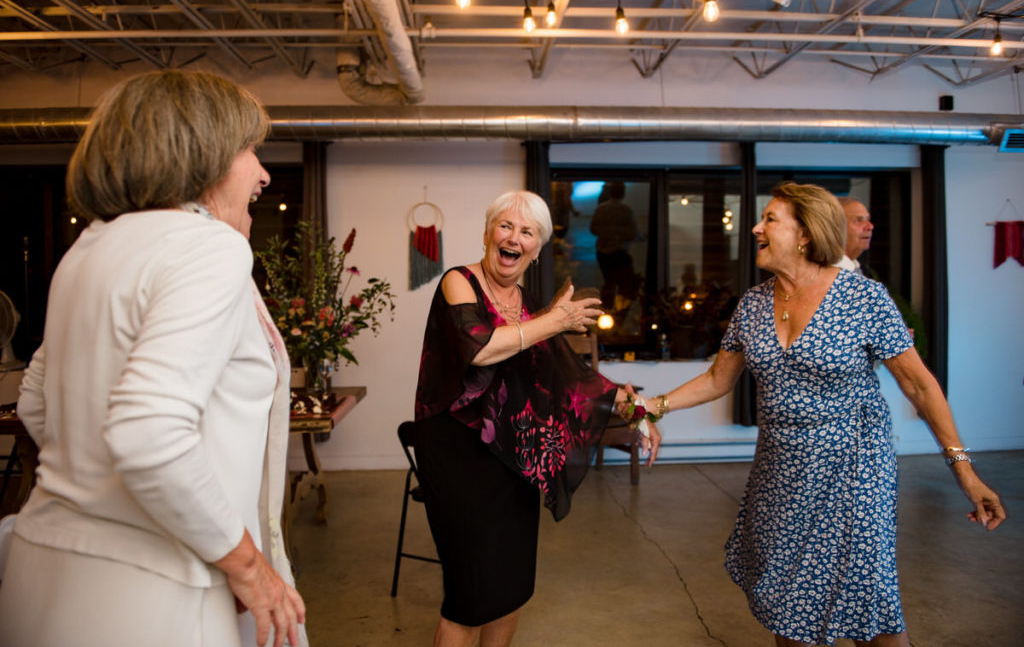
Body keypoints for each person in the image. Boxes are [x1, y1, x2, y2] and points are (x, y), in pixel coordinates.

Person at [0, 71, 307, 647]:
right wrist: (249, 568)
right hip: (157, 592)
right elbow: (147, 431)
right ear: (204, 154)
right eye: (249, 149)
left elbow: (38, 404)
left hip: (47, 571)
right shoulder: (208, 246)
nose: (263, 171)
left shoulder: (90, 247)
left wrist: (95, 488)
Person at [637, 182, 1004, 647]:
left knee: (871, 606)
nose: (756, 227)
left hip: (855, 474)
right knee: (787, 608)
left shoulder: (865, 299)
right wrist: (654, 406)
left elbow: (919, 384)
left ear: (805, 234)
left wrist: (965, 474)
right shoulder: (753, 304)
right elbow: (718, 379)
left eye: (769, 219)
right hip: (780, 476)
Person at [414, 190, 661, 647]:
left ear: (537, 248)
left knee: (511, 585)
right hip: (457, 455)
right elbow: (481, 347)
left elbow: (566, 377)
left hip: (513, 455)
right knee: (468, 595)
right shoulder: (458, 281)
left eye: (527, 232)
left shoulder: (526, 305)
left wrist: (634, 407)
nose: (513, 238)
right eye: (505, 226)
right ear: (488, 233)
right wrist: (555, 320)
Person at [589, 181, 639, 312]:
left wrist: (607, 233)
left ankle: (606, 310)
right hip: (620, 252)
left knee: (609, 282)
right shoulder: (626, 210)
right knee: (623, 285)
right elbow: (632, 233)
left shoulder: (601, 209)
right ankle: (618, 313)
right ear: (623, 193)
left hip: (603, 252)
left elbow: (593, 229)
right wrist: (618, 234)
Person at [836, 196, 874, 273]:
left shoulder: (853, 268)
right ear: (835, 227)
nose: (870, 226)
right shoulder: (829, 275)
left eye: (868, 219)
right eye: (859, 220)